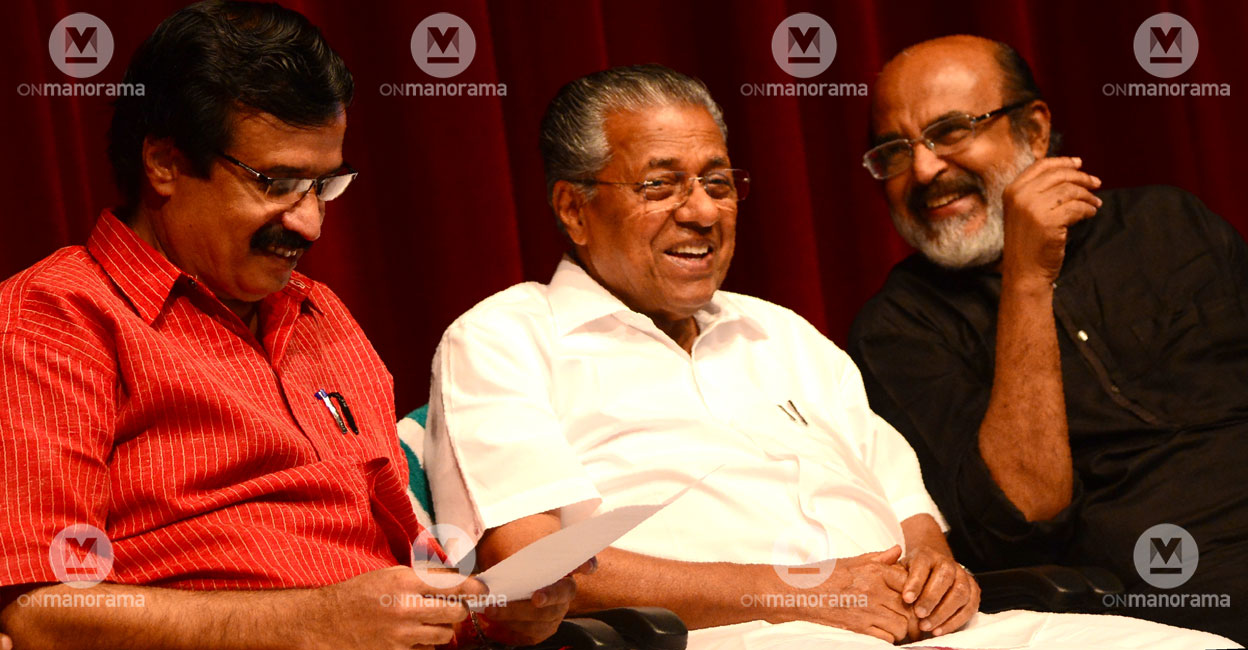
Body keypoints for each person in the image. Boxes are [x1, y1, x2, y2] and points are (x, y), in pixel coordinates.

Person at [424, 64, 1234, 649]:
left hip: (926, 630)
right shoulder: (503, 338)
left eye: (719, 181)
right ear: (573, 207)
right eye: (662, 186)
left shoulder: (787, 335)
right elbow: (531, 566)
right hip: (734, 639)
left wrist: (935, 567)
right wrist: (808, 595)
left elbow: (916, 516)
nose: (702, 211)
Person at [0, 3, 573, 648]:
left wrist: (483, 613)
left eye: (324, 187)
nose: (308, 224)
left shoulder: (321, 315)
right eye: (277, 184)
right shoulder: (54, 318)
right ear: (163, 163)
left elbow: (401, 570)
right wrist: (311, 624)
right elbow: (40, 608)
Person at [848, 35, 1247, 643]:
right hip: (1174, 599)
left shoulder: (1169, 221)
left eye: (951, 131)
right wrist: (1026, 280)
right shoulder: (897, 328)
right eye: (896, 151)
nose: (925, 169)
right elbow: (1022, 515)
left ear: (1033, 131)